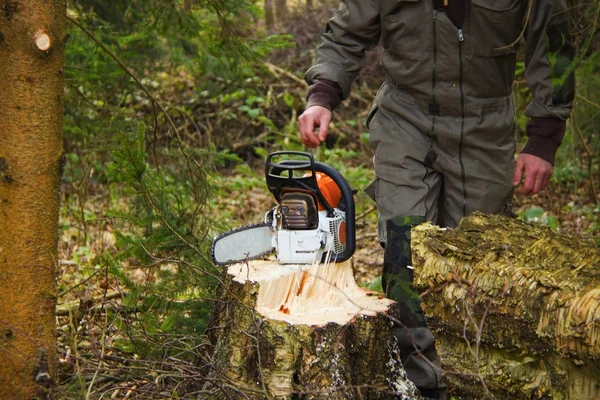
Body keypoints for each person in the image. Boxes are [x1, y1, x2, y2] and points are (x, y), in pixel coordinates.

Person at [298, 1, 575, 399]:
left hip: (486, 123)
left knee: (480, 263)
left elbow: (553, 43)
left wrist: (544, 136)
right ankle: (421, 384)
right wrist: (322, 95)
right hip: (404, 116)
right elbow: (346, 33)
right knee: (404, 247)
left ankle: (475, 377)